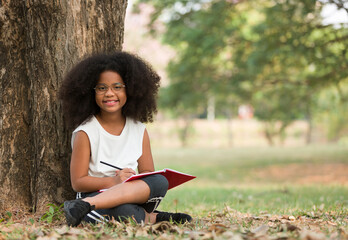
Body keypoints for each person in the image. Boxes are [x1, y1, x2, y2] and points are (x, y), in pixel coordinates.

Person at [59, 52, 192, 227]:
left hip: (129, 196)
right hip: (93, 196)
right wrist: (114, 181)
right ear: (91, 92)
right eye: (101, 88)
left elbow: (148, 176)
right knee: (125, 213)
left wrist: (131, 180)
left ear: (130, 90)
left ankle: (144, 216)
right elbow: (78, 182)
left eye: (117, 87)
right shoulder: (86, 132)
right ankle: (88, 206)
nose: (109, 93)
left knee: (160, 181)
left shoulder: (139, 130)